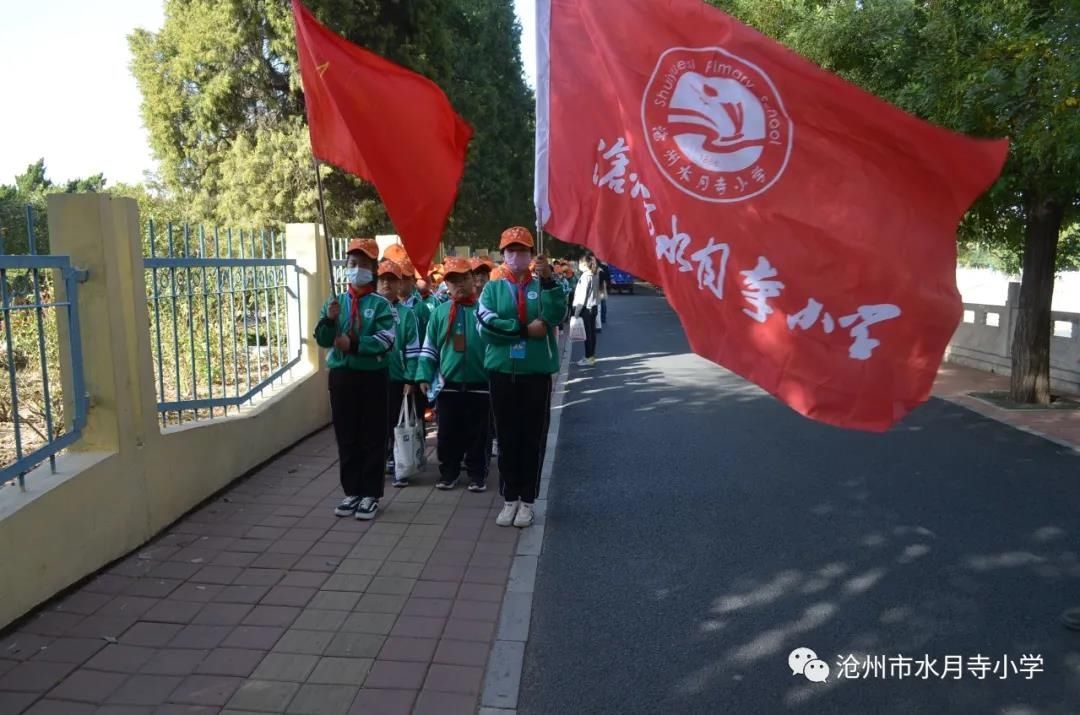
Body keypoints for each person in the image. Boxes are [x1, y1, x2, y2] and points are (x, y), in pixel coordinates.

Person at [477, 227, 567, 528]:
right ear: (503, 254)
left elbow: (556, 315)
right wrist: (523, 330)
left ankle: (528, 501)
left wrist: (549, 281)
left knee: (532, 438)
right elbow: (486, 325)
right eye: (511, 250)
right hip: (501, 371)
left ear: (532, 254)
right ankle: (509, 498)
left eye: (523, 250)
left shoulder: (543, 285)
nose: (517, 256)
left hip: (535, 373)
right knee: (506, 438)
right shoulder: (492, 288)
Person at [315, 238, 397, 520]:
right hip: (342, 376)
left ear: (373, 268)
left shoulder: (382, 305)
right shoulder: (335, 301)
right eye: (352, 264)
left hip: (372, 376)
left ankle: (371, 493)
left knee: (372, 434)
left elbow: (386, 340)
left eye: (363, 264)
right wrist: (328, 320)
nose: (356, 269)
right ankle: (352, 490)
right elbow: (323, 339)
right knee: (346, 434)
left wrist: (356, 345)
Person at [417, 257, 491, 492]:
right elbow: (429, 348)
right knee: (448, 434)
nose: (459, 285)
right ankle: (448, 473)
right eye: (453, 281)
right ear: (446, 285)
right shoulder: (439, 313)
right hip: (448, 385)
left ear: (472, 280)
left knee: (479, 435)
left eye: (463, 278)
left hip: (481, 384)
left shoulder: (484, 310)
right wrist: (423, 376)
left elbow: (495, 346)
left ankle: (477, 475)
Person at [376, 259, 421, 486]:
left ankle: (399, 463)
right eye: (382, 279)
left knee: (396, 422)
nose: (386, 284)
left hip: (397, 379)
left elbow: (413, 350)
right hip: (371, 378)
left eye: (391, 280)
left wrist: (411, 379)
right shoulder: (368, 308)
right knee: (375, 422)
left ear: (399, 284)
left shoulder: (407, 314)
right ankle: (378, 461)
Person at [573, 255, 600, 367]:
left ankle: (588, 357)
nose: (578, 265)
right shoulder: (594, 275)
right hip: (593, 307)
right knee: (592, 334)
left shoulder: (585, 276)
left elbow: (582, 296)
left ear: (584, 264)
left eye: (579, 263)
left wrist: (576, 312)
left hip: (586, 309)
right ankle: (591, 356)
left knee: (587, 335)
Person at [597, 261, 611, 330]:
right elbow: (608, 278)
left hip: (598, 286)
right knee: (603, 302)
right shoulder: (604, 267)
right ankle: (603, 318)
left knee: (599, 303)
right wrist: (609, 287)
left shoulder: (594, 267)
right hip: (603, 286)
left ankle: (600, 319)